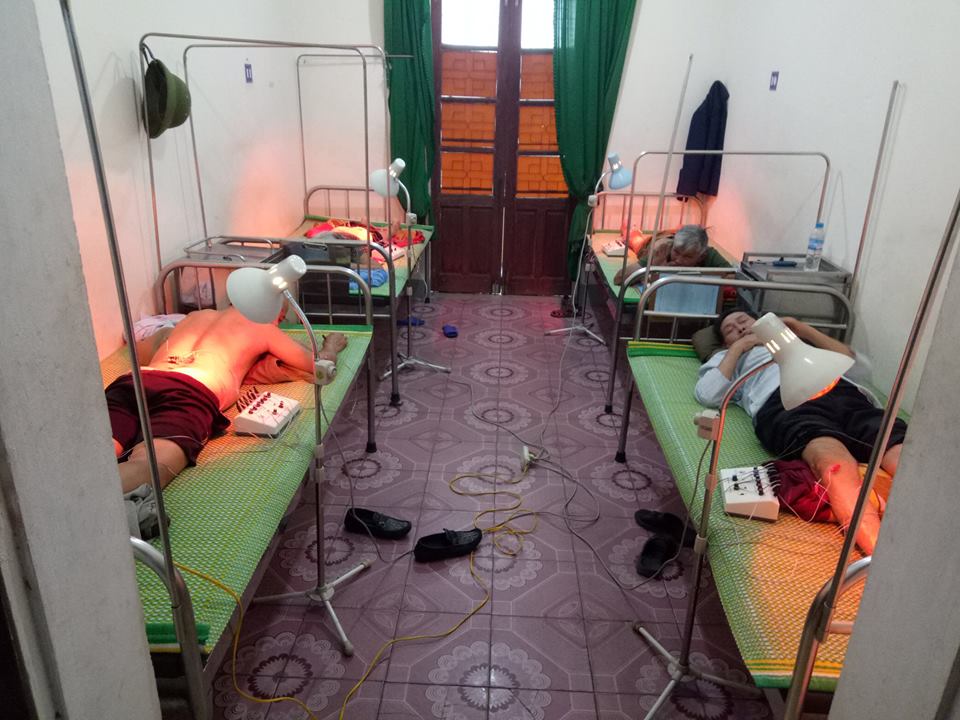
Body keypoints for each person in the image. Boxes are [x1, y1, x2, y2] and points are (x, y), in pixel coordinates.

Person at [695, 309, 908, 554]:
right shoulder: (730, 358)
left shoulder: (798, 342)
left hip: (840, 392)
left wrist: (799, 328)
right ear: (724, 343)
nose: (740, 328)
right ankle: (880, 555)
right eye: (730, 330)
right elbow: (708, 394)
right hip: (786, 403)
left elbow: (859, 368)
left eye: (743, 321)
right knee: (831, 461)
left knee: (897, 447)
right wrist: (738, 348)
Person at [105, 307, 347, 493]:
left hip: (132, 382)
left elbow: (138, 351)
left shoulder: (193, 317)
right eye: (281, 317)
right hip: (188, 391)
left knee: (98, 453)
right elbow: (321, 366)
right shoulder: (263, 326)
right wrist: (332, 344)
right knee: (150, 468)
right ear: (274, 312)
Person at [614, 224, 729, 285]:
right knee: (636, 241)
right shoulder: (661, 249)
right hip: (657, 241)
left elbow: (734, 277)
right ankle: (630, 229)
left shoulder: (708, 254)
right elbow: (618, 278)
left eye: (687, 257)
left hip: (677, 237)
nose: (679, 260)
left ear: (701, 257)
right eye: (676, 253)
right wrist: (654, 267)